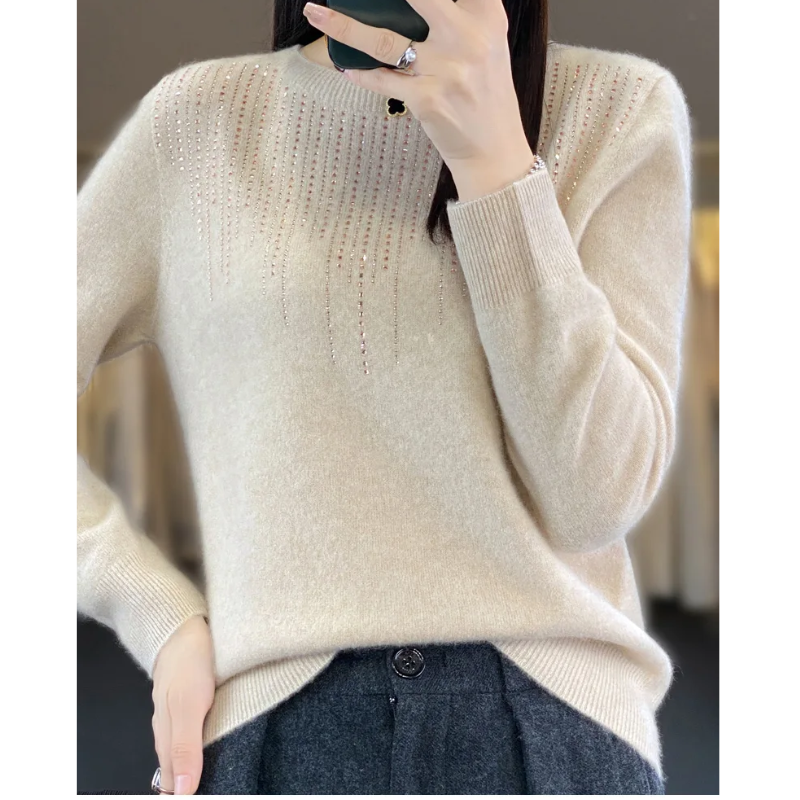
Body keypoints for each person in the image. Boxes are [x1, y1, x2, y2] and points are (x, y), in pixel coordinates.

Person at [77, 0, 692, 794]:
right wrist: (156, 617)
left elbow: (596, 499)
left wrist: (497, 164)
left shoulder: (618, 110)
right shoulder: (198, 124)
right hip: (274, 726)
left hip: (553, 725)